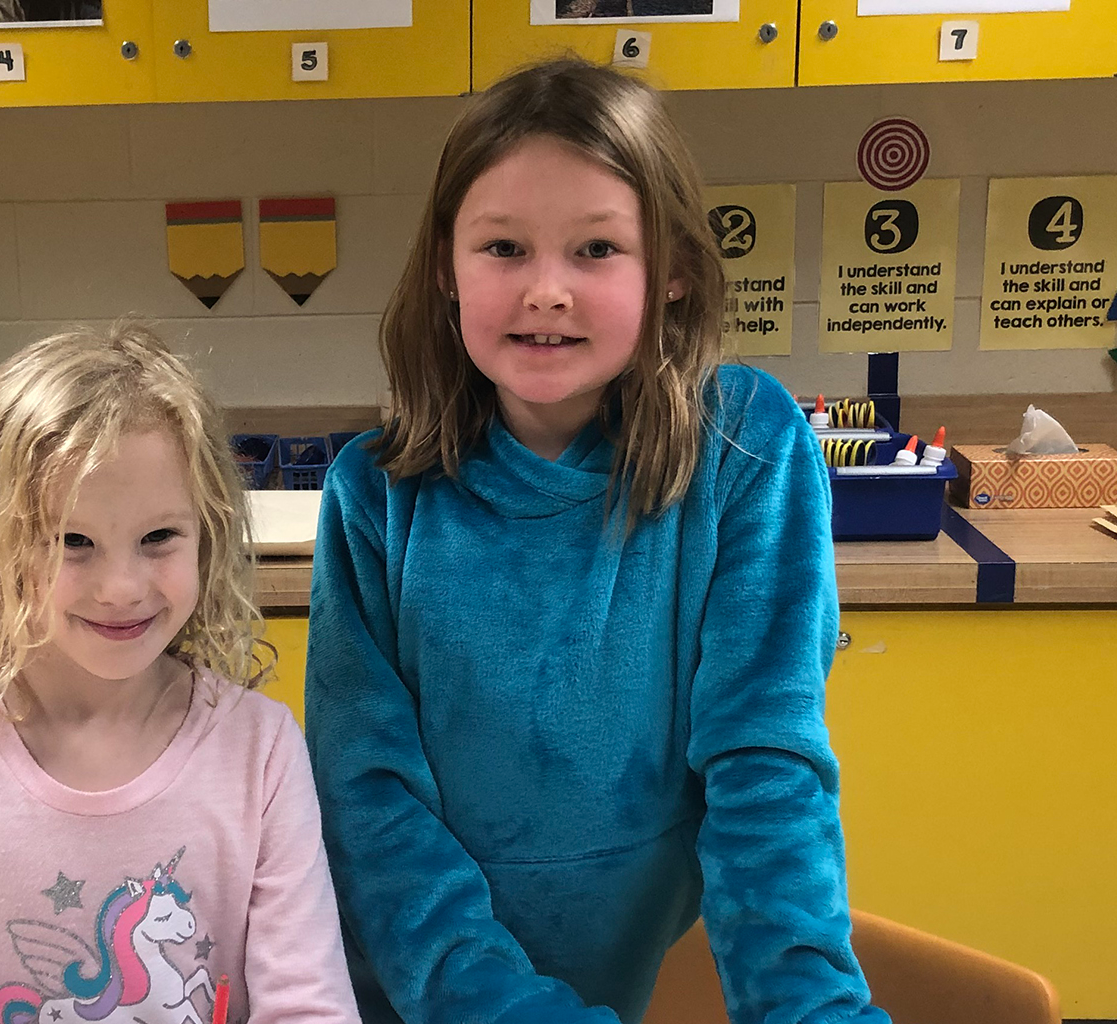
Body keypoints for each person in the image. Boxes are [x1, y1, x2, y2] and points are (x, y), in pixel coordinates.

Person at [307, 59, 890, 1024]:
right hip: (420, 995)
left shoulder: (747, 447)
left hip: (632, 977)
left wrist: (809, 1005)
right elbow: (369, 810)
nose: (546, 291)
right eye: (502, 246)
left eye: (596, 250)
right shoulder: (373, 493)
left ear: (673, 275)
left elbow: (766, 768)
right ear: (445, 272)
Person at [0, 324, 358, 1024]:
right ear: (0, 548)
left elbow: (310, 1006)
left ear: (208, 534)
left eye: (159, 537)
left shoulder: (262, 749)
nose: (123, 587)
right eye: (74, 541)